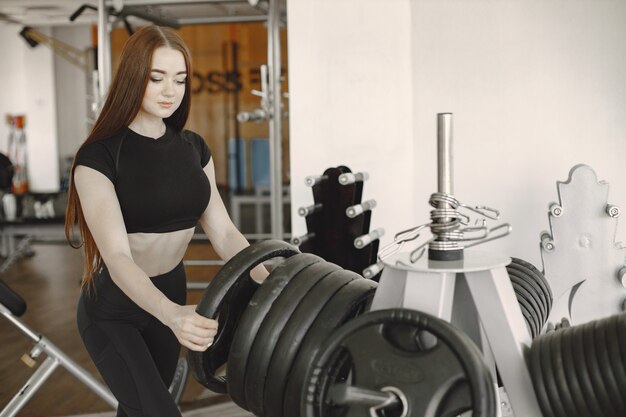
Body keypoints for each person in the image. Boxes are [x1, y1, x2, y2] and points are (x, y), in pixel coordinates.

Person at [65, 25, 266, 417]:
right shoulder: (98, 158)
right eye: (156, 78)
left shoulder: (193, 148)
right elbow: (119, 257)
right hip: (114, 308)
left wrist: (272, 281)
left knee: (139, 410)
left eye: (179, 79)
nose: (170, 90)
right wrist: (172, 315)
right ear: (133, 78)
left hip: (172, 288)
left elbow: (224, 232)